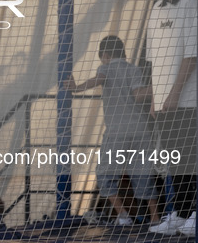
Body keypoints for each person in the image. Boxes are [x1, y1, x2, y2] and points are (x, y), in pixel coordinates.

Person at [65, 36, 160, 226]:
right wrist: (159, 88)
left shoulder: (106, 68)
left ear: (105, 55)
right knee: (143, 174)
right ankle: (156, 220)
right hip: (141, 130)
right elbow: (139, 94)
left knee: (104, 174)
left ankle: (123, 215)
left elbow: (98, 79)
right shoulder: (134, 69)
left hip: (117, 132)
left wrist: (77, 88)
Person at [146, 0, 197, 236]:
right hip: (163, 101)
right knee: (172, 157)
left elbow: (192, 55)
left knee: (189, 155)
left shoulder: (192, 3)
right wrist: (156, 98)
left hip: (187, 99)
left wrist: (175, 93)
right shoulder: (157, 7)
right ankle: (179, 212)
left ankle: (193, 213)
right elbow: (153, 60)